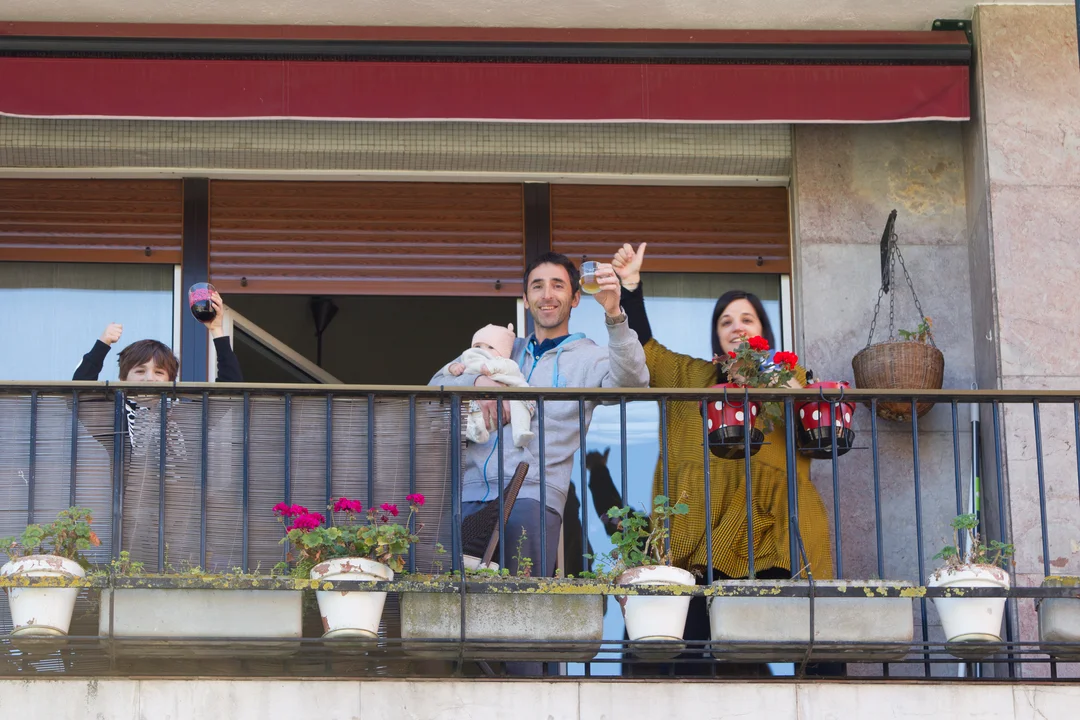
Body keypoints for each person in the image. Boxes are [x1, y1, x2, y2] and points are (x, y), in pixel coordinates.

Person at [611, 242, 836, 676]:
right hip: (701, 525)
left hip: (773, 527)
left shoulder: (789, 377)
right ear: (716, 335)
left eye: (747, 319)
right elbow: (645, 350)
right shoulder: (691, 375)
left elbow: (814, 423)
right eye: (726, 321)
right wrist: (631, 287)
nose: (737, 328)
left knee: (802, 630)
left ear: (763, 330)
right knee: (685, 638)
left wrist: (779, 381)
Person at [430, 252, 649, 581]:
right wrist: (479, 382)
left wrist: (615, 314)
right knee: (456, 598)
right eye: (537, 286)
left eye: (558, 285)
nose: (547, 294)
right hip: (470, 493)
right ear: (526, 297)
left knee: (522, 600)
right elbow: (436, 384)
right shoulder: (502, 350)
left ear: (575, 298)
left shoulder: (590, 358)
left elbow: (633, 383)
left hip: (533, 497)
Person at [73, 291, 242, 383]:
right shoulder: (110, 414)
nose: (149, 378)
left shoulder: (184, 416)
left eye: (159, 372)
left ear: (170, 380)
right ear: (123, 379)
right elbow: (79, 390)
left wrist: (216, 330)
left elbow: (231, 391)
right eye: (140, 371)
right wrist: (102, 344)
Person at [445, 323, 535, 449]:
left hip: (509, 403)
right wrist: (453, 367)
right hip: (477, 406)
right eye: (477, 346)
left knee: (520, 405)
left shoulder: (505, 362)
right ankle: (476, 432)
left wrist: (491, 367)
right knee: (461, 413)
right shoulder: (468, 361)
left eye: (490, 347)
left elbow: (511, 368)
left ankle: (521, 431)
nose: (482, 350)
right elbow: (441, 376)